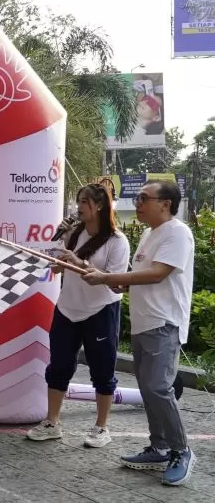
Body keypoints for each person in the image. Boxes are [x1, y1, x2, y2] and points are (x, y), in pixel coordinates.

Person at [83, 180, 196, 486]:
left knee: (159, 388)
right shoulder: (149, 233)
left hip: (164, 323)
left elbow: (159, 273)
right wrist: (120, 282)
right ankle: (159, 447)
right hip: (144, 323)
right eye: (137, 197)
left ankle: (181, 450)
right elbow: (143, 275)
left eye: (144, 198)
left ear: (166, 204)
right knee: (148, 390)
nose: (137, 202)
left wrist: (110, 276)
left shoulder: (177, 232)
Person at [26, 184, 129, 448]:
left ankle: (101, 427)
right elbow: (57, 267)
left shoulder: (117, 241)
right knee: (59, 365)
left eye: (84, 201)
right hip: (67, 308)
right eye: (78, 201)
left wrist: (77, 261)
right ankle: (52, 422)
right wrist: (55, 258)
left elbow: (112, 281)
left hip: (101, 310)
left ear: (100, 206)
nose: (79, 207)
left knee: (102, 370)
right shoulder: (72, 232)